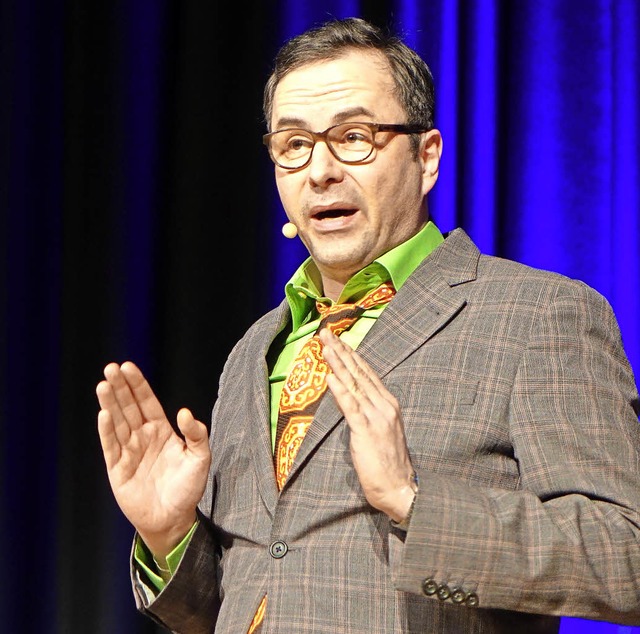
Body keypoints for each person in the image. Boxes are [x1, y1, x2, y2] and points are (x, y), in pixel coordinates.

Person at [96, 16, 640, 634]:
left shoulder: (538, 315)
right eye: (293, 145)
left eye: (354, 136)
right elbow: (259, 593)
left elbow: (627, 558)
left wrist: (414, 501)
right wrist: (168, 533)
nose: (320, 170)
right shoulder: (256, 348)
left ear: (426, 156)